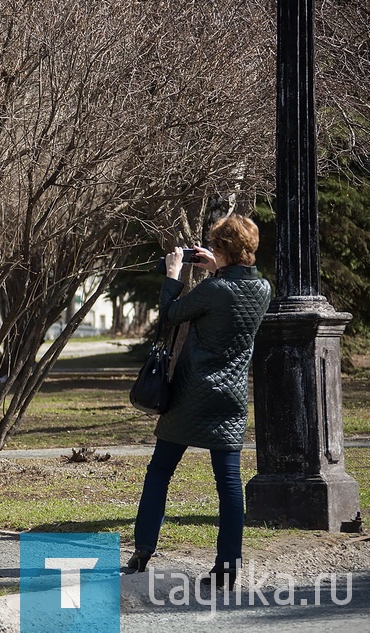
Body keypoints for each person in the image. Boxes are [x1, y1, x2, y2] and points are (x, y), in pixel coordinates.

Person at [126, 215, 271, 589]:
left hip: (192, 394)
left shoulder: (215, 290)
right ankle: (227, 567)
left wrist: (174, 275)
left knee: (160, 470)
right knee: (228, 484)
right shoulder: (263, 290)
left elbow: (173, 315)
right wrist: (216, 270)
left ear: (221, 249)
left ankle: (143, 548)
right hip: (231, 400)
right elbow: (230, 303)